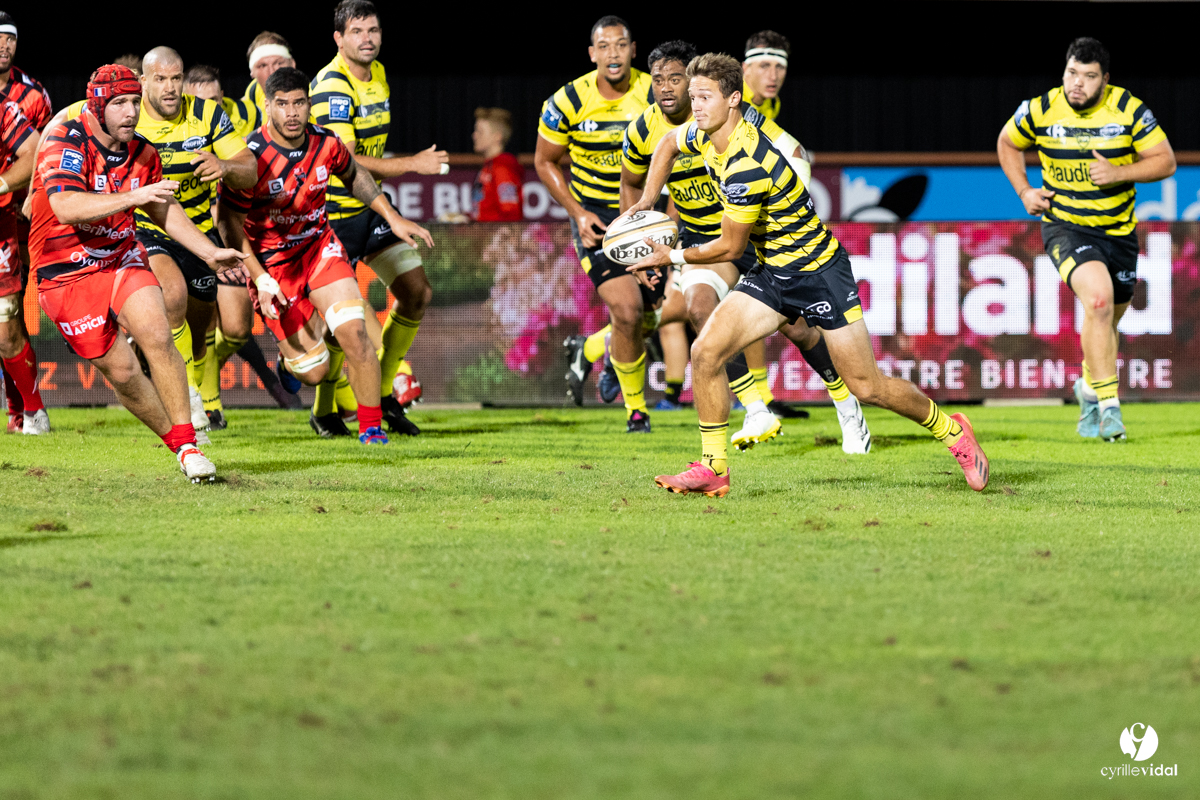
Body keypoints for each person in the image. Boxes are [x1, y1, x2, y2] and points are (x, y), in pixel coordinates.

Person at [625, 54, 988, 497]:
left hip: (819, 274)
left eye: (704, 97)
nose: (694, 105)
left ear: (734, 100)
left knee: (867, 386)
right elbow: (665, 145)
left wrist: (672, 256)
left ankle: (953, 432)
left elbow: (729, 248)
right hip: (774, 274)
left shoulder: (747, 163)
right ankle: (713, 467)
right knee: (706, 354)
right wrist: (647, 201)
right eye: (693, 96)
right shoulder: (703, 133)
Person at [621, 40, 870, 453]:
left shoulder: (742, 119)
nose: (667, 88)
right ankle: (755, 411)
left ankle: (844, 401)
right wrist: (645, 218)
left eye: (677, 80)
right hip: (705, 238)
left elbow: (794, 153)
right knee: (700, 308)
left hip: (752, 234)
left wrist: (785, 194)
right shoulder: (646, 129)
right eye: (658, 80)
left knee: (800, 331)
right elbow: (638, 175)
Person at [30, 65, 246, 480]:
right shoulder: (66, 139)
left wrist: (208, 250)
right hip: (64, 272)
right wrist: (135, 194)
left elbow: (163, 208)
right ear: (97, 105)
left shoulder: (143, 152)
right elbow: (66, 207)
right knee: (125, 373)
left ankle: (189, 445)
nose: (131, 112)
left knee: (158, 333)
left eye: (133, 102)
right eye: (119, 104)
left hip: (119, 256)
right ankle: (176, 441)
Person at [217, 67, 434, 445]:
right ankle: (292, 361)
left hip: (319, 250)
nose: (292, 112)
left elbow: (356, 176)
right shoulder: (251, 159)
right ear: (268, 106)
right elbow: (229, 225)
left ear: (309, 105)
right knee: (313, 373)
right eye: (282, 104)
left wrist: (392, 217)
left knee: (357, 335)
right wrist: (259, 277)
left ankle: (371, 430)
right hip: (272, 266)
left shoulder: (327, 143)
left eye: (299, 103)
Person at [998, 37, 1175, 442]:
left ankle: (1088, 386)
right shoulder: (1041, 109)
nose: (1077, 83)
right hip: (1066, 226)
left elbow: (1165, 161)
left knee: (1108, 320)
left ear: (1105, 79)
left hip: (1119, 234)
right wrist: (1024, 191)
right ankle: (1109, 408)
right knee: (1096, 300)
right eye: (1072, 73)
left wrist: (1119, 173)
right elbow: (1007, 142)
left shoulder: (1128, 109)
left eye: (1089, 76)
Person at [308, 0, 446, 437]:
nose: (367, 39)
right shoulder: (332, 86)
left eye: (373, 31)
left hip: (369, 210)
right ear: (338, 39)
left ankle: (384, 393)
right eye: (357, 32)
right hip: (331, 217)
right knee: (340, 325)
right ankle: (324, 408)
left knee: (416, 291)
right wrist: (413, 163)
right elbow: (345, 163)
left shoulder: (379, 73)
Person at [537, 15, 660, 433]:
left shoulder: (654, 92)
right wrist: (578, 213)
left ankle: (589, 348)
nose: (613, 53)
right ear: (592, 54)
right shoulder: (568, 101)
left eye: (620, 45)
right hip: (598, 221)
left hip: (647, 217)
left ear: (633, 49)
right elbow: (544, 161)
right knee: (626, 311)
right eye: (603, 46)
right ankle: (637, 412)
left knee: (661, 314)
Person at [130, 47, 258, 443]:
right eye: (161, 79)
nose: (170, 88)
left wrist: (226, 168)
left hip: (200, 233)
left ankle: (195, 377)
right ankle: (190, 404)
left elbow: (249, 170)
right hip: (146, 228)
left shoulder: (206, 114)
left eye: (176, 78)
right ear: (144, 81)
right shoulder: (129, 117)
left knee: (208, 325)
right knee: (173, 295)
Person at [184, 63, 305, 424]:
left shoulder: (232, 130)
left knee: (235, 330)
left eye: (218, 100)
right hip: (171, 236)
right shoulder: (168, 132)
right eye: (204, 101)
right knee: (187, 320)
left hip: (216, 233)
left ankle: (197, 382)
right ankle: (207, 403)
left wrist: (226, 166)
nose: (213, 107)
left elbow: (246, 177)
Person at [0, 11, 52, 433]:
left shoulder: (30, 96)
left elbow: (42, 150)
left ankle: (26, 409)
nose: (2, 45)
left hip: (14, 219)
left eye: (8, 39)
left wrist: (28, 195)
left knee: (8, 322)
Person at [472, 107, 522, 222]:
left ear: (497, 137)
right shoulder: (488, 167)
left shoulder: (503, 168)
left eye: (480, 131)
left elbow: (510, 212)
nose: (474, 136)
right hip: (486, 236)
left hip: (498, 238)